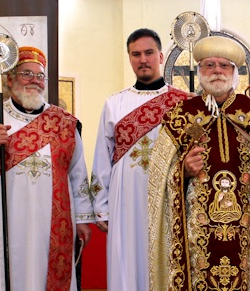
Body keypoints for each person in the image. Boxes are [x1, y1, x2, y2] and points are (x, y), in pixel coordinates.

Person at [148, 35, 250, 290]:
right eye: (209, 65)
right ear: (200, 71)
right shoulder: (180, 115)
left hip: (247, 226)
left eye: (224, 65)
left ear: (235, 72)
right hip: (196, 227)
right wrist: (181, 171)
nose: (217, 70)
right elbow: (158, 177)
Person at [0, 46, 94, 291]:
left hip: (51, 223)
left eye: (40, 76)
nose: (34, 81)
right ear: (9, 80)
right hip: (1, 218)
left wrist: (82, 219)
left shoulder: (64, 123)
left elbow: (78, 175)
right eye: (27, 74)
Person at [90, 28, 189, 291]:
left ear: (160, 55)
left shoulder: (184, 103)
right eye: (136, 54)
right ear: (130, 58)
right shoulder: (115, 103)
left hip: (169, 196)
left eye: (148, 53)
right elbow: (102, 157)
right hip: (125, 199)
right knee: (126, 261)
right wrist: (101, 205)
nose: (142, 59)